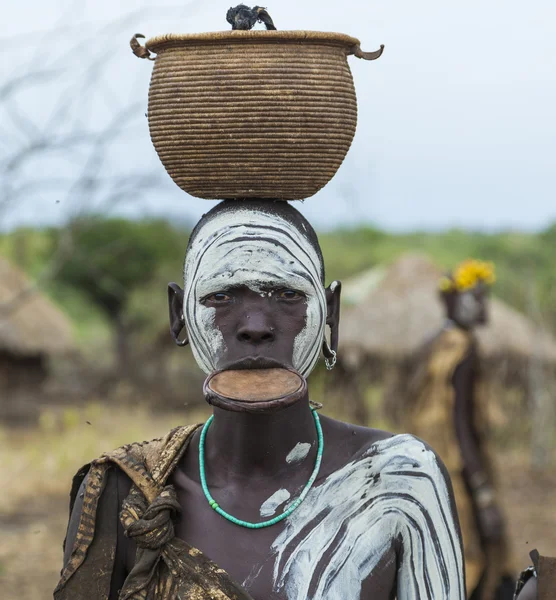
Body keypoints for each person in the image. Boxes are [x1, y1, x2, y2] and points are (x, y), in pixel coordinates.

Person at [55, 200, 465, 599]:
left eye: (288, 296)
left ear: (331, 315)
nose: (255, 326)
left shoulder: (398, 481)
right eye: (221, 296)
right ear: (178, 314)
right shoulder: (125, 492)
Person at [403, 260, 514, 600]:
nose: (483, 306)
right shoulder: (461, 347)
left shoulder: (436, 341)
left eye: (484, 298)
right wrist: (482, 491)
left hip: (428, 461)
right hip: (456, 466)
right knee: (472, 552)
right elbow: (460, 423)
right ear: (453, 300)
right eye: (475, 298)